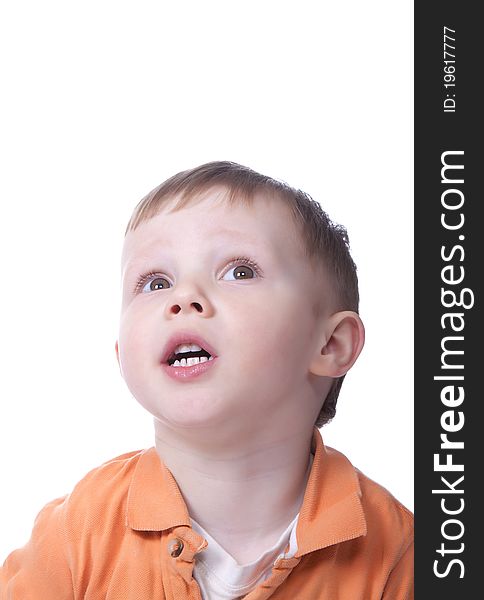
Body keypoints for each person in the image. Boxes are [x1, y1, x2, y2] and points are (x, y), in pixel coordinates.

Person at [0, 161, 413, 599]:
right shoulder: (75, 534)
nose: (183, 298)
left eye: (239, 271)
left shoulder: (396, 556)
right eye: (155, 282)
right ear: (123, 357)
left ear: (330, 345)